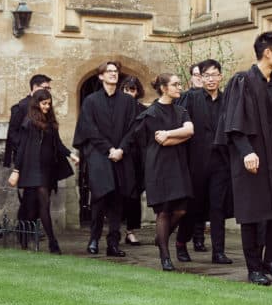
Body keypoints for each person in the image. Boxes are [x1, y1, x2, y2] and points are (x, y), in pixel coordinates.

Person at [217, 31, 272, 285]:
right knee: (253, 213)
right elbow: (233, 123)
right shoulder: (242, 81)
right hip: (252, 159)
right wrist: (246, 152)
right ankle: (254, 268)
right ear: (268, 52)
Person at [128, 73, 195, 271]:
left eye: (179, 84)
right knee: (164, 211)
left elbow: (190, 131)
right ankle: (165, 256)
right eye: (174, 84)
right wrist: (177, 136)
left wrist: (170, 133)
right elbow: (162, 141)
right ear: (163, 88)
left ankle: (161, 237)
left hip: (179, 165)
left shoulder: (181, 110)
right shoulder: (151, 113)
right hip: (159, 166)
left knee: (181, 209)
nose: (179, 87)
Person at [73, 60, 137, 257]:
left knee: (118, 200)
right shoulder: (91, 101)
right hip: (99, 155)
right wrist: (109, 148)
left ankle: (113, 243)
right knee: (100, 198)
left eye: (116, 71)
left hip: (121, 155)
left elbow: (133, 128)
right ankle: (94, 238)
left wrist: (121, 149)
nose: (113, 74)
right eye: (109, 71)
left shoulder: (127, 101)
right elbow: (89, 129)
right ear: (100, 76)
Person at [8, 88, 77, 255]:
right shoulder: (29, 122)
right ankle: (53, 242)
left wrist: (71, 155)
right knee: (43, 205)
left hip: (46, 170)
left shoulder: (51, 123)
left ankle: (24, 237)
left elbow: (58, 144)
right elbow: (22, 148)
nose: (46, 106)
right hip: (32, 169)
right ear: (37, 103)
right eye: (44, 103)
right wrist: (16, 170)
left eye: (48, 104)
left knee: (31, 207)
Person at [178, 59, 233, 264]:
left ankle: (218, 252)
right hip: (195, 163)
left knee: (217, 207)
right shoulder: (190, 99)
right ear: (200, 77)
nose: (211, 79)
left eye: (214, 75)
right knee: (193, 207)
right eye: (206, 75)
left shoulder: (227, 100)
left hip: (220, 163)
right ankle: (181, 244)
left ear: (220, 76)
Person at [3, 73, 52, 235]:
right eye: (45, 88)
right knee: (30, 198)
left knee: (40, 198)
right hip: (25, 160)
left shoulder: (46, 107)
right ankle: (24, 229)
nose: (48, 91)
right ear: (35, 88)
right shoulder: (21, 106)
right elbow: (13, 134)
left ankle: (28, 229)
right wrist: (24, 154)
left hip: (42, 161)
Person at [119, 74, 146, 246]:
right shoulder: (116, 109)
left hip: (137, 156)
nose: (129, 93)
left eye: (132, 90)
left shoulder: (143, 110)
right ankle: (115, 229)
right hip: (120, 155)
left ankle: (131, 230)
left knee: (134, 194)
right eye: (126, 89)